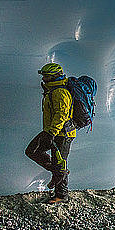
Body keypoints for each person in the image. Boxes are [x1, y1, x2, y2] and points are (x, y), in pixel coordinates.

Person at [25, 63, 76, 203]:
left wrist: (51, 133)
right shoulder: (52, 90)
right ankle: (58, 172)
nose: (44, 79)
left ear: (53, 76)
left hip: (62, 134)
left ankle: (61, 195)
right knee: (32, 151)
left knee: (60, 162)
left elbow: (62, 114)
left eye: (46, 76)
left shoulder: (60, 92)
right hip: (51, 131)